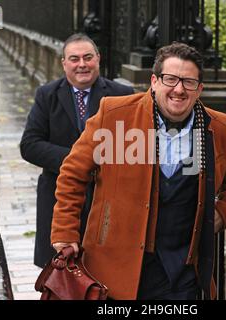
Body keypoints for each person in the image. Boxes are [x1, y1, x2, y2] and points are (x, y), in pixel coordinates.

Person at [51, 42, 226, 299]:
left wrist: (222, 213)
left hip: (182, 273)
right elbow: (72, 174)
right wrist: (65, 231)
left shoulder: (221, 128)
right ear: (154, 82)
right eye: (170, 79)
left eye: (188, 82)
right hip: (115, 266)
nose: (178, 89)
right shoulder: (114, 115)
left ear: (199, 89)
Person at [20, 33, 134, 268]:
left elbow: (132, 146)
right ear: (64, 63)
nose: (81, 64)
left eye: (87, 57)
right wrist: (78, 160)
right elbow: (30, 145)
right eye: (74, 59)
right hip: (58, 196)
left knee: (105, 272)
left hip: (106, 200)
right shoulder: (47, 95)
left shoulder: (123, 95)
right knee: (61, 274)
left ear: (98, 59)